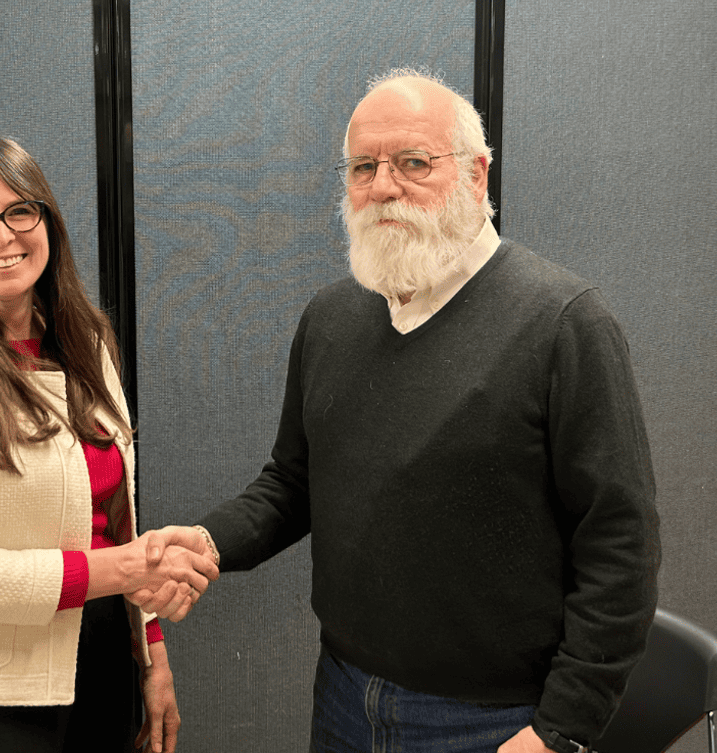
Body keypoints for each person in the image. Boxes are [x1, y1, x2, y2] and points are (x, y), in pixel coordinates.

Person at [135, 70, 660, 753]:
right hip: (346, 699)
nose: (383, 185)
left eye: (413, 162)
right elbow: (292, 484)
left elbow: (621, 544)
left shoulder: (563, 324)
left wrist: (559, 730)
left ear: (477, 174)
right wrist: (208, 541)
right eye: (363, 166)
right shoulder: (330, 318)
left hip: (497, 721)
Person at [0, 136, 217, 753]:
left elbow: (114, 517)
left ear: (47, 222)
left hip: (101, 666)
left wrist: (153, 657)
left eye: (20, 211)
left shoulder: (85, 345)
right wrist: (132, 567)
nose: (2, 236)